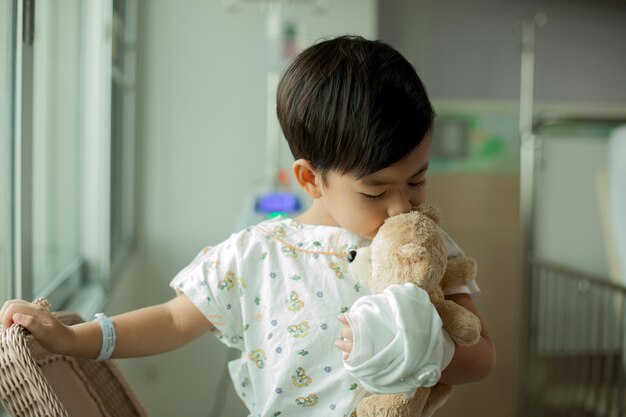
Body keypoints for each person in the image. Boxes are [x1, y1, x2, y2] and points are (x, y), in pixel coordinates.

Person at [1, 35, 495, 416]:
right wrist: (75, 339)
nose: (400, 208)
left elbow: (482, 356)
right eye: (375, 191)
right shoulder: (259, 255)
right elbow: (173, 320)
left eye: (418, 181)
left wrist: (416, 346)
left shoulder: (424, 248)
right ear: (310, 178)